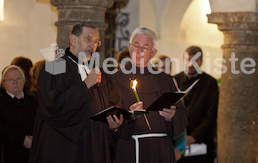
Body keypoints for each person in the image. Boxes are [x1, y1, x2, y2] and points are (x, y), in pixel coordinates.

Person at [29, 22, 123, 163]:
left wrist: (110, 125)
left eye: (97, 42)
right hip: (65, 147)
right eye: (88, 39)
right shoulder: (55, 66)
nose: (93, 45)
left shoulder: (97, 72)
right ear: (73, 39)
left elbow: (101, 108)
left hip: (94, 146)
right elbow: (51, 105)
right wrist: (85, 85)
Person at [111, 27, 188, 163]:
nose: (139, 51)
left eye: (145, 47)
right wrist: (128, 117)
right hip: (130, 148)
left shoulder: (166, 80)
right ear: (129, 47)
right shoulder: (115, 79)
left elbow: (182, 115)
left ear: (153, 52)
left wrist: (172, 117)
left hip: (162, 149)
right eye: (136, 45)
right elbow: (107, 118)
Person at [174, 46, 219, 163]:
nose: (190, 64)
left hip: (201, 141)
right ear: (183, 60)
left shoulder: (210, 83)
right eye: (188, 59)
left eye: (195, 61)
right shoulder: (174, 80)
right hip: (177, 142)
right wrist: (181, 138)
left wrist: (193, 137)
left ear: (201, 62)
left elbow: (211, 115)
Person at [153, 54, 187, 161]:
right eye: (163, 67)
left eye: (169, 67)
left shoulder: (175, 91)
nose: (167, 71)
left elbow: (181, 121)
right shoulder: (150, 90)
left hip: (170, 142)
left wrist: (179, 147)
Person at [0, 65, 37, 163]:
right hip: (11, 153)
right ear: (4, 83)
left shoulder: (34, 100)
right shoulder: (1, 103)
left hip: (36, 151)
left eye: (19, 79)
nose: (15, 83)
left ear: (24, 81)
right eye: (11, 80)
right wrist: (23, 139)